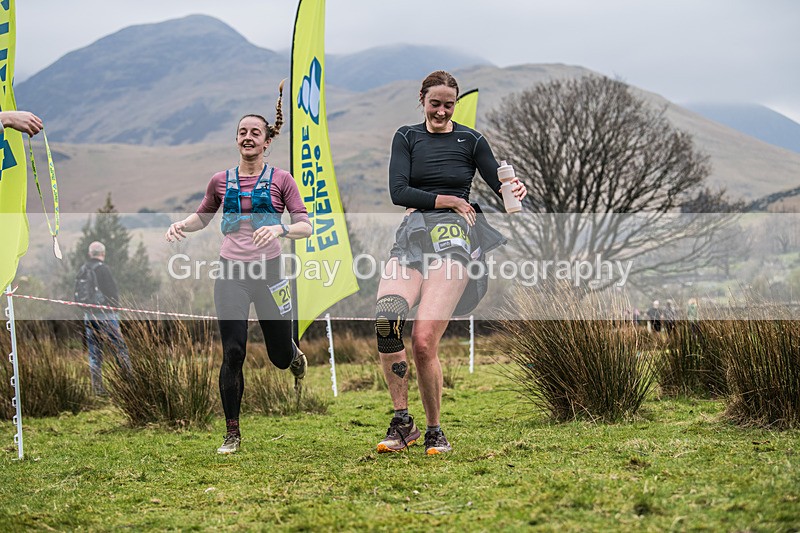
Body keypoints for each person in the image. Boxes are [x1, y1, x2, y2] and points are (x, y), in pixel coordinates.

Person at [375, 70, 527, 455]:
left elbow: (500, 185)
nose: (441, 111)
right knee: (386, 321)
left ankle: (434, 430)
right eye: (435, 103)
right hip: (411, 238)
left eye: (448, 104)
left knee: (424, 342)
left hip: (453, 243)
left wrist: (515, 187)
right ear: (421, 99)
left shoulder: (471, 140)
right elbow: (398, 191)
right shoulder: (406, 137)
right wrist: (451, 200)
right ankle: (401, 422)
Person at [165, 83, 312, 455]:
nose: (248, 137)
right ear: (237, 140)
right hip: (231, 274)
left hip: (271, 274)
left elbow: (305, 226)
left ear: (266, 142)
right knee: (233, 352)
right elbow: (202, 217)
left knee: (279, 357)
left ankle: (293, 356)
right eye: (242, 132)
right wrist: (181, 225)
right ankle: (232, 432)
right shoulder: (220, 181)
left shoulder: (282, 180)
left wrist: (279, 228)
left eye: (255, 133)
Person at [77, 241, 131, 395]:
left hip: (89, 316)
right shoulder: (104, 270)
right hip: (107, 315)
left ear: (90, 254)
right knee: (120, 349)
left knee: (94, 353)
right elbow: (112, 292)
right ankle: (129, 385)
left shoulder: (83, 269)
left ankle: (97, 389)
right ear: (103, 254)